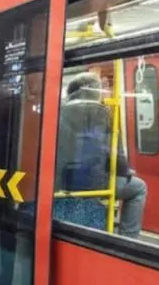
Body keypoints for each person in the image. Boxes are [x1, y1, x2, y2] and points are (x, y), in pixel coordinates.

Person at [55, 72, 147, 237]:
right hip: (95, 183)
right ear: (95, 92)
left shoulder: (57, 112)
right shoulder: (103, 113)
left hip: (60, 182)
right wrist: (126, 171)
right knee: (139, 188)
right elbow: (115, 155)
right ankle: (129, 238)